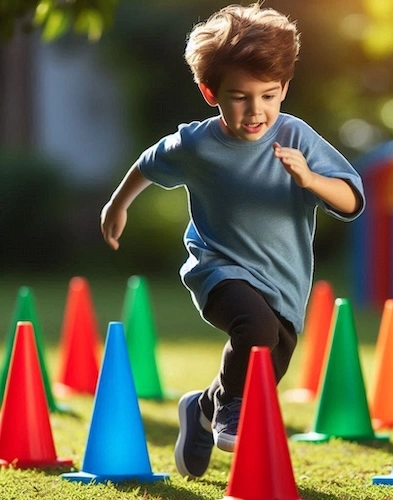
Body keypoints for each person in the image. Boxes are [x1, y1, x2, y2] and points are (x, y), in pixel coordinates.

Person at [100, 2, 365, 480]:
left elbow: (349, 200)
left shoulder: (298, 137)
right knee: (254, 327)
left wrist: (311, 181)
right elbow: (147, 162)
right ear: (210, 92)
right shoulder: (196, 144)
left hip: (284, 281)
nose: (256, 111)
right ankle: (230, 414)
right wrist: (117, 205)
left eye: (268, 95)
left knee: (270, 359)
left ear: (284, 88)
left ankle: (202, 408)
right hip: (217, 268)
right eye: (240, 96)